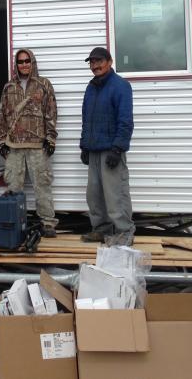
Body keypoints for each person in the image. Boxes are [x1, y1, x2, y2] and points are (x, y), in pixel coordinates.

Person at [0, 49, 59, 238]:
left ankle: (47, 223)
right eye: (20, 62)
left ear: (32, 62)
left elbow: (51, 112)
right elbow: (2, 115)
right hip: (14, 146)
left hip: (38, 146)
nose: (23, 65)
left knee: (42, 185)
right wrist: (1, 141)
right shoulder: (9, 87)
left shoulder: (44, 84)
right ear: (16, 65)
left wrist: (51, 138)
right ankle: (14, 221)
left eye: (27, 61)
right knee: (14, 187)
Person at [79, 47, 135, 246]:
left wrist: (118, 148)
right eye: (92, 62)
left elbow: (126, 121)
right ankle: (101, 229)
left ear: (109, 62)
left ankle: (124, 232)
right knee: (94, 195)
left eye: (99, 61)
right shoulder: (91, 87)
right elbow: (86, 118)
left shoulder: (121, 86)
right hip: (93, 150)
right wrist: (84, 146)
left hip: (111, 150)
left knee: (115, 194)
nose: (95, 65)